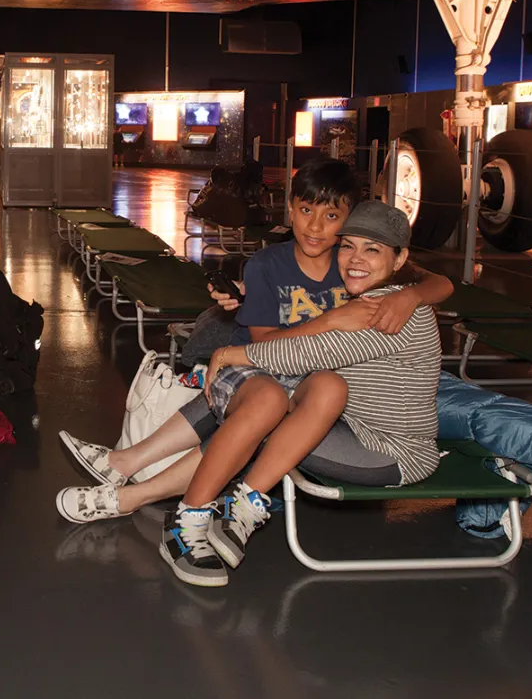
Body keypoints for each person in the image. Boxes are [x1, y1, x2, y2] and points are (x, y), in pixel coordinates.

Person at [54, 159, 452, 534]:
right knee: (260, 405)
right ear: (290, 210)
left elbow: (437, 281)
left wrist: (413, 296)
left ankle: (136, 484)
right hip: (294, 379)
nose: (319, 228)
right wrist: (328, 317)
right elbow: (272, 346)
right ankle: (131, 474)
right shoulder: (287, 266)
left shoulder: (365, 283)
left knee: (257, 418)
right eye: (307, 211)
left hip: (336, 403)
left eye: (333, 218)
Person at [157, 201, 441, 585]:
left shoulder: (392, 311)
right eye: (348, 246)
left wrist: (226, 354)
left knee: (257, 410)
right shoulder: (381, 296)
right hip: (353, 425)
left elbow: (303, 353)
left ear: (399, 258)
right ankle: (221, 502)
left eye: (371, 249)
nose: (355, 259)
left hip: (392, 452)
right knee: (316, 387)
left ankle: (186, 513)